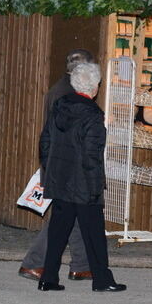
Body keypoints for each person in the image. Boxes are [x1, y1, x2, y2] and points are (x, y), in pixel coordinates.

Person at [38, 62, 125, 292]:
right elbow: (91, 156)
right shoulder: (93, 115)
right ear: (95, 87)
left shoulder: (59, 106)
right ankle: (102, 280)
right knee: (94, 235)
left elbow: (45, 142)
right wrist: (97, 187)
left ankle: (48, 278)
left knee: (58, 232)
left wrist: (52, 170)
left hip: (61, 180)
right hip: (84, 185)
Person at [19, 49, 94, 283]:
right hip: (66, 165)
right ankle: (35, 263)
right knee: (66, 216)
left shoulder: (60, 90)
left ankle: (80, 265)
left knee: (74, 216)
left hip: (59, 163)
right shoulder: (69, 96)